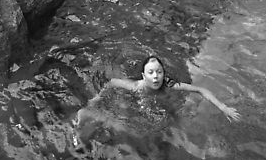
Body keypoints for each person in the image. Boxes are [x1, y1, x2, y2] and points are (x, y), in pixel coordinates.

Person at [89, 55, 240, 123]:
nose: (155, 77)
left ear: (164, 74)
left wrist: (223, 107)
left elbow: (201, 90)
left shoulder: (170, 85)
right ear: (143, 75)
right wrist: (97, 98)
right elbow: (111, 82)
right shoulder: (134, 86)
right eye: (150, 73)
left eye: (159, 72)